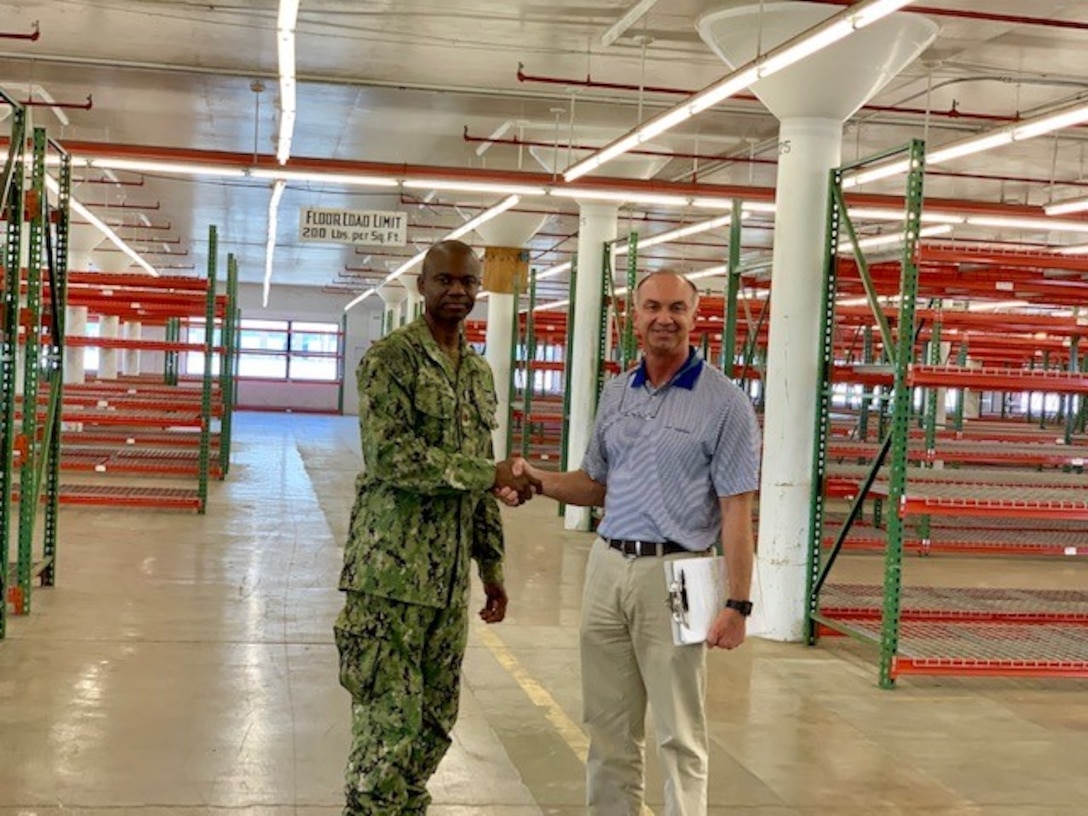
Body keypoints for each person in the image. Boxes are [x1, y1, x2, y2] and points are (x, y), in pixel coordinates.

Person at [504, 270, 760, 816]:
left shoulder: (725, 404)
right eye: (651, 307)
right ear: (633, 315)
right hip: (607, 565)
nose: (663, 318)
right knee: (608, 728)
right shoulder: (617, 392)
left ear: (695, 316)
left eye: (676, 308)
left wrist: (738, 604)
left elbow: (737, 509)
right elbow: (595, 482)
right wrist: (537, 478)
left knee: (679, 733)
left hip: (679, 574)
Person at [335, 239, 540, 815]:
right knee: (386, 733)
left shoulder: (476, 373)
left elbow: (480, 478)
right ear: (422, 286)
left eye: (468, 283)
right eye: (445, 280)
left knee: (433, 726)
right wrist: (488, 471)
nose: (458, 292)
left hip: (447, 586)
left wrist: (491, 566)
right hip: (388, 582)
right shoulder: (389, 360)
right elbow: (391, 457)